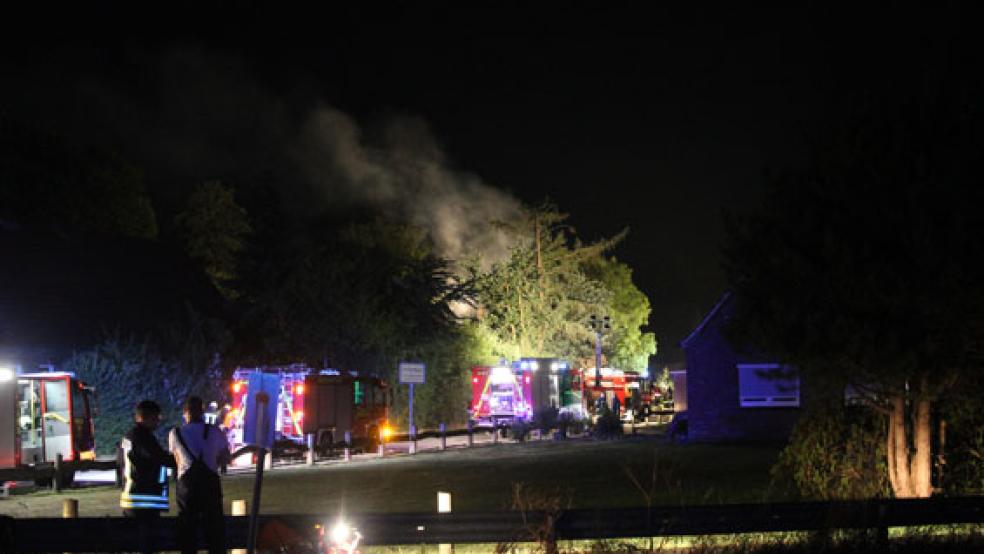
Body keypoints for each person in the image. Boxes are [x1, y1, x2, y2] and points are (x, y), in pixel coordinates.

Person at [169, 396, 231, 554]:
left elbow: (175, 458)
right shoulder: (215, 431)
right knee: (214, 528)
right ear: (202, 412)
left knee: (187, 527)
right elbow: (225, 457)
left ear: (185, 413)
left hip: (187, 486)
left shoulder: (176, 433)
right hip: (210, 482)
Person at [120, 399, 176, 554]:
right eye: (156, 418)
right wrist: (181, 460)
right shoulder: (143, 437)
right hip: (144, 499)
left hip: (131, 498)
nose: (158, 422)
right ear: (146, 418)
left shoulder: (128, 437)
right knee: (147, 545)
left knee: (135, 545)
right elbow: (159, 457)